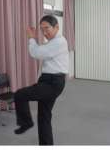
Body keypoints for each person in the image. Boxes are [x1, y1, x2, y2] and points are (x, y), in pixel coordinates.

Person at [13, 15, 69, 145]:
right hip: (47, 80)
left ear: (56, 27)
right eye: (42, 29)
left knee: (20, 94)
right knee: (44, 117)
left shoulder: (59, 42)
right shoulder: (52, 42)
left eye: (47, 28)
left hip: (53, 83)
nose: (44, 32)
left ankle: (26, 122)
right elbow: (42, 55)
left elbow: (36, 53)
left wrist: (31, 38)